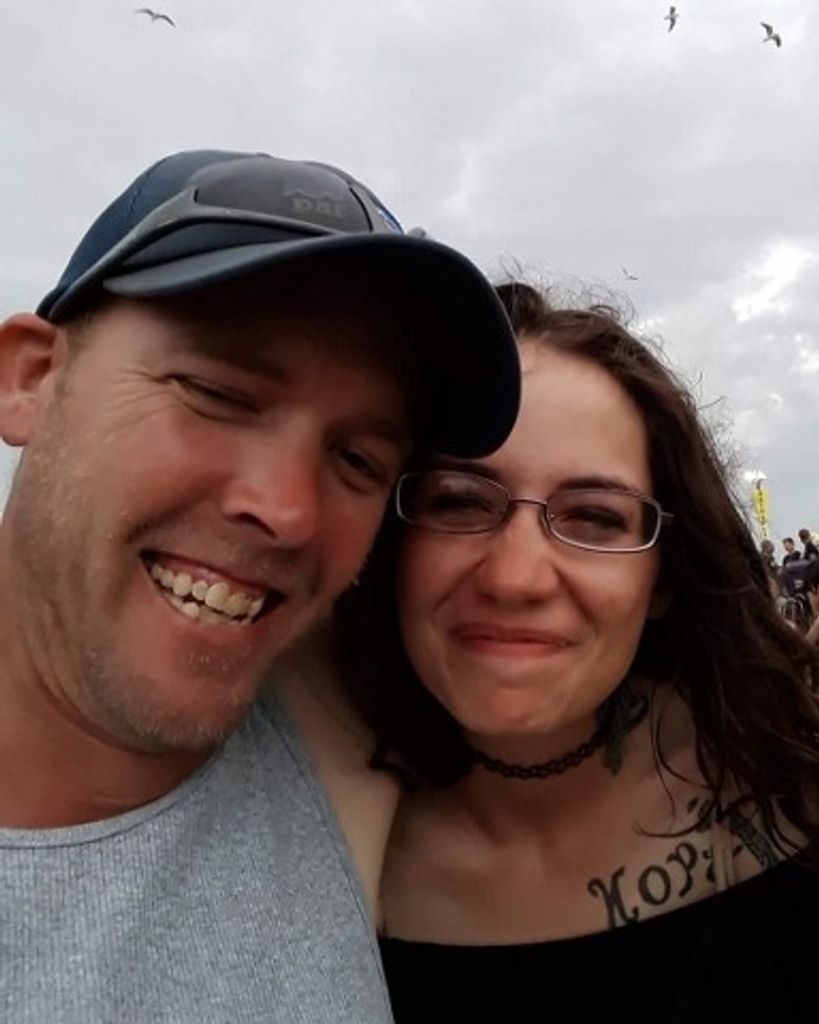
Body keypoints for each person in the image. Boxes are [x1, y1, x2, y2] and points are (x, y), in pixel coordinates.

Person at [0, 149, 521, 1022]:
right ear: (32, 378)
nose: (287, 511)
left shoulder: (337, 719)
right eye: (215, 393)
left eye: (357, 459)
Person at [333, 281, 819, 1022]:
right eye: (460, 500)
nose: (515, 579)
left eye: (594, 517)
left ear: (664, 578)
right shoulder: (316, 851)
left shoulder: (789, 775)